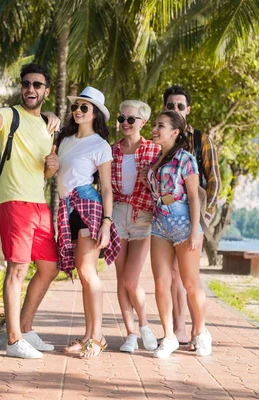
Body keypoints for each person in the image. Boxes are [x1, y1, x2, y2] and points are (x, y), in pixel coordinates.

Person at [0, 63, 61, 359]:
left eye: (37, 85)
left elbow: (44, 173)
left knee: (49, 267)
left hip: (39, 204)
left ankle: (26, 328)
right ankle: (13, 340)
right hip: (14, 201)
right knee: (17, 269)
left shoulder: (48, 126)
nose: (30, 89)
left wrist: (51, 167)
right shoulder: (11, 115)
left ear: (46, 90)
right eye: (26, 84)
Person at [56, 86, 121, 359]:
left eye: (85, 107)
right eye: (77, 106)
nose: (78, 111)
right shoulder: (65, 140)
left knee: (87, 271)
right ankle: (88, 335)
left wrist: (106, 222)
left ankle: (97, 337)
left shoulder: (100, 145)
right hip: (66, 207)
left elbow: (106, 188)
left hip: (87, 205)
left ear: (96, 114)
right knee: (84, 276)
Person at [146, 111, 211, 358]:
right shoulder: (155, 159)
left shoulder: (186, 159)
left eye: (160, 126)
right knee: (161, 283)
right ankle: (169, 336)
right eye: (155, 125)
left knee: (190, 283)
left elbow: (194, 197)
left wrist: (195, 231)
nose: (155, 129)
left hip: (184, 225)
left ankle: (201, 332)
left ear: (174, 132)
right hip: (160, 224)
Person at [162, 85, 221, 347]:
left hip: (194, 217)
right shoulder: (161, 140)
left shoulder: (201, 140)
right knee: (173, 276)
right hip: (168, 219)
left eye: (180, 106)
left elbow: (215, 181)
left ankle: (200, 330)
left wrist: (203, 219)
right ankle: (178, 328)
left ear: (188, 109)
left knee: (189, 278)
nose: (175, 109)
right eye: (170, 106)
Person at [111, 100, 160, 352]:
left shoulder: (154, 150)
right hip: (118, 215)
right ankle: (130, 334)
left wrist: (150, 177)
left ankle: (144, 325)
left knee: (131, 279)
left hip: (143, 217)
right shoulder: (112, 151)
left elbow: (166, 183)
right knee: (121, 280)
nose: (125, 124)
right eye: (122, 119)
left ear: (142, 122)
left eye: (131, 119)